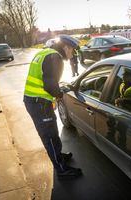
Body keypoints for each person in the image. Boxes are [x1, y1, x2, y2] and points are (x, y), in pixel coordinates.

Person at [23, 34, 82, 180]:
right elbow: (49, 85)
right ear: (66, 47)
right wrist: (59, 93)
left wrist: (56, 90)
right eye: (72, 51)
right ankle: (61, 169)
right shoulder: (55, 57)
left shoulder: (44, 52)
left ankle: (58, 156)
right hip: (39, 103)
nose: (73, 55)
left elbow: (46, 79)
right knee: (49, 135)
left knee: (53, 131)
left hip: (36, 101)